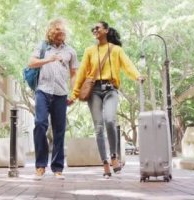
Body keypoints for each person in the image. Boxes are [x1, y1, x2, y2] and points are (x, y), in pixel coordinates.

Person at [69, 21, 143, 179]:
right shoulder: (89, 51)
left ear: (106, 30)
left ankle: (114, 156)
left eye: (97, 28)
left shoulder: (116, 50)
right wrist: (74, 95)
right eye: (93, 28)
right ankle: (104, 162)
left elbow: (128, 65)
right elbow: (82, 73)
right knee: (98, 127)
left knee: (110, 120)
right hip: (94, 91)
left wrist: (137, 76)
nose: (94, 30)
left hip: (110, 90)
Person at [27, 18, 78, 180]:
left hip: (61, 94)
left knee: (59, 131)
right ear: (51, 32)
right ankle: (40, 166)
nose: (60, 34)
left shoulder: (70, 51)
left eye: (62, 32)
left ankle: (57, 168)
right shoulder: (43, 47)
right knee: (40, 123)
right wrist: (48, 59)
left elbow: (74, 74)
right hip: (43, 91)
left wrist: (74, 93)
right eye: (57, 31)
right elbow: (31, 63)